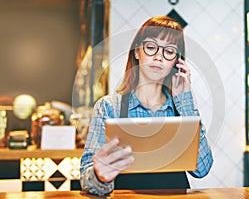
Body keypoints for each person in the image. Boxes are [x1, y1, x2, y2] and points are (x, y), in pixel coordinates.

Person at [80, 16, 213, 196]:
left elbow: (202, 169)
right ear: (137, 52)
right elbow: (86, 178)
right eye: (151, 47)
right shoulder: (109, 107)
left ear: (177, 62)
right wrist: (99, 176)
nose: (159, 57)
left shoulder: (180, 110)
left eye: (169, 51)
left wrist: (186, 102)